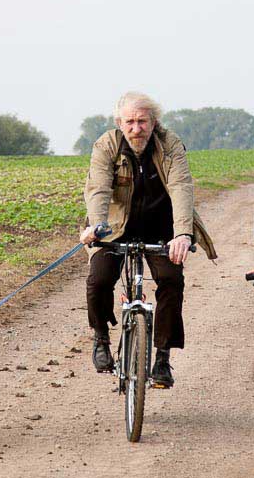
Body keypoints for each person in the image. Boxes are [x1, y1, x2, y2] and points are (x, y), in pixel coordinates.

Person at [80, 91, 217, 388]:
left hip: (162, 225)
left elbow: (181, 186)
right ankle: (101, 338)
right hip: (115, 226)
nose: (136, 128)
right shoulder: (107, 145)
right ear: (119, 122)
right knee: (99, 279)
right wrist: (97, 225)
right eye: (129, 121)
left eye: (142, 121)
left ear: (154, 122)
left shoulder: (170, 145)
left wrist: (182, 233)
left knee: (171, 280)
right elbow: (98, 188)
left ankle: (163, 357)